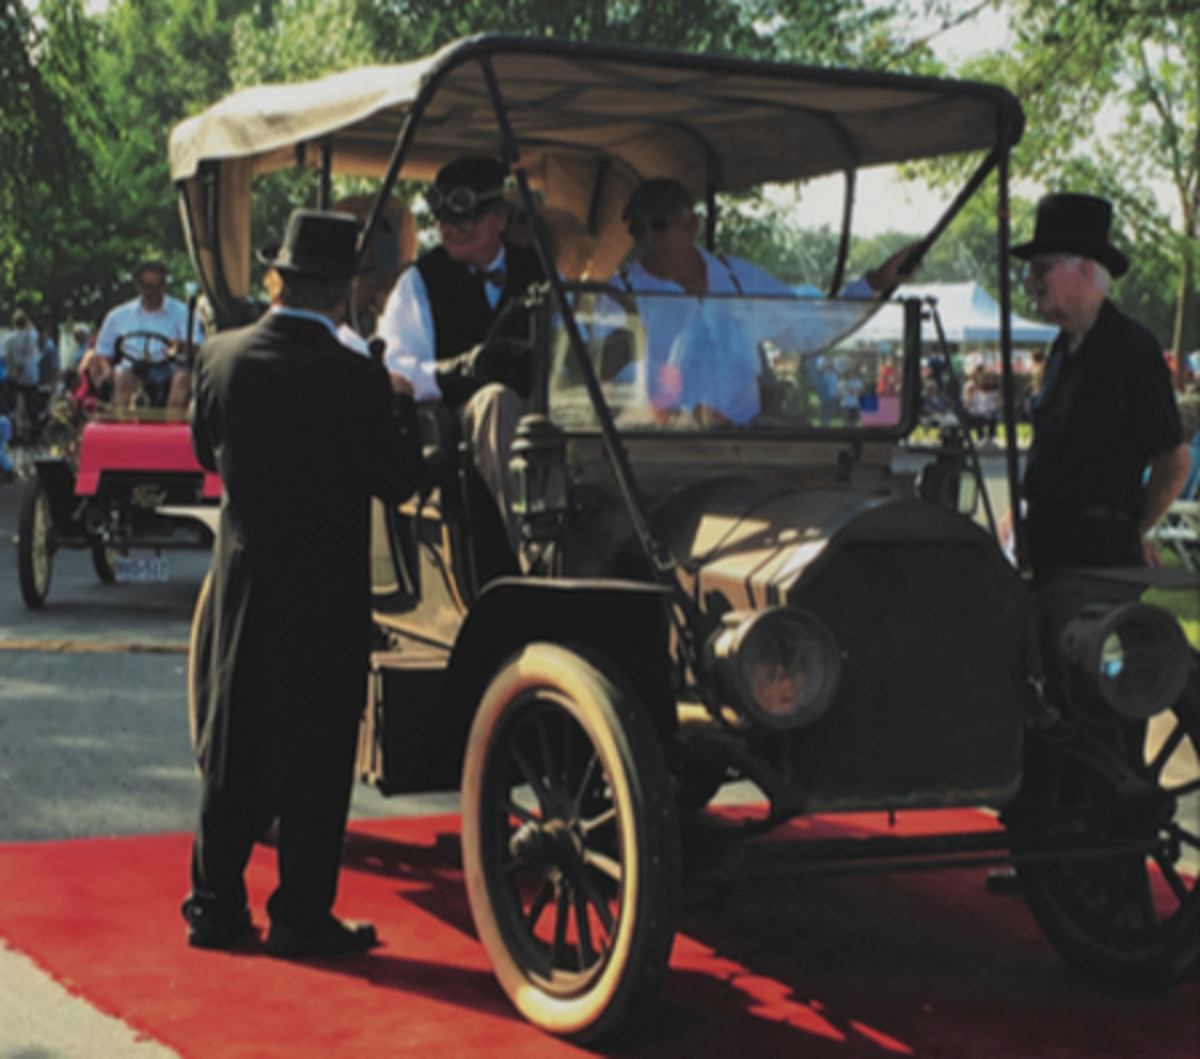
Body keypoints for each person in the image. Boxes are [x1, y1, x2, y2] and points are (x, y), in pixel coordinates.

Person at [183, 210, 422, 958]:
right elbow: (398, 480)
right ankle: (300, 914)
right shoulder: (356, 378)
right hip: (325, 588)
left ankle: (216, 906)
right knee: (318, 756)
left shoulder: (220, 358)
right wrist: (402, 412)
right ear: (342, 292)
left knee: (231, 747)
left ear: (278, 279)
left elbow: (205, 449)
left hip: (246, 578)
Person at [614, 178, 920, 425]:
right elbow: (611, 381)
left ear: (692, 226)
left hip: (751, 448)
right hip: (661, 451)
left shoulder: (739, 279)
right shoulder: (618, 297)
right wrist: (690, 416)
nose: (649, 238)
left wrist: (876, 282)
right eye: (637, 229)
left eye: (658, 224)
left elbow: (809, 330)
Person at [1013, 192, 1191, 578]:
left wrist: (1131, 530)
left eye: (1042, 267)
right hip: (1046, 549)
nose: (1030, 278)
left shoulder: (1132, 349)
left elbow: (1174, 461)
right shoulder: (1061, 349)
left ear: (1085, 271)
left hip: (1095, 559)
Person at [376, 155, 547, 548]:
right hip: (462, 420)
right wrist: (456, 372)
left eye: (464, 219)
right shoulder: (420, 281)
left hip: (541, 405)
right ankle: (535, 550)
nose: (448, 229)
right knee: (496, 402)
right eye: (442, 220)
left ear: (499, 219)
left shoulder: (540, 271)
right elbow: (395, 368)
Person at [94, 259, 203, 410]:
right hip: (132, 368)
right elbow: (103, 351)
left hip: (168, 369)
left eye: (158, 287)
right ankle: (124, 425)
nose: (153, 292)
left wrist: (180, 346)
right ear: (139, 286)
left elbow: (198, 348)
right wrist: (107, 370)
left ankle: (172, 426)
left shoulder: (183, 313)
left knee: (183, 378)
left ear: (164, 285)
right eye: (148, 287)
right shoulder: (118, 316)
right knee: (122, 376)